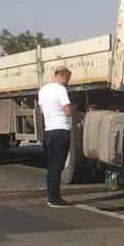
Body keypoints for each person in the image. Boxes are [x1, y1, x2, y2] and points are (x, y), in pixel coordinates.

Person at [37, 66, 75, 207]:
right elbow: (67, 111)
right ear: (63, 76)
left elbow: (42, 110)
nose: (68, 82)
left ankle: (51, 196)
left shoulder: (43, 90)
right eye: (68, 79)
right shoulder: (60, 89)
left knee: (51, 165)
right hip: (61, 131)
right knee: (57, 166)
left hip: (49, 131)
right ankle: (54, 199)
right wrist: (74, 108)